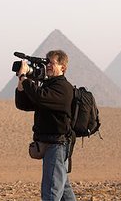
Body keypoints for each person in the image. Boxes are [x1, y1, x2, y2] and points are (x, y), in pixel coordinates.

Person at [15, 50, 76, 201]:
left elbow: (40, 97)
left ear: (63, 67)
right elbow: (23, 104)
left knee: (50, 192)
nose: (47, 65)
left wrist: (25, 77)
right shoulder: (48, 87)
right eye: (46, 62)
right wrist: (21, 82)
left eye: (52, 63)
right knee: (63, 191)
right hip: (49, 143)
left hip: (57, 145)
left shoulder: (63, 88)